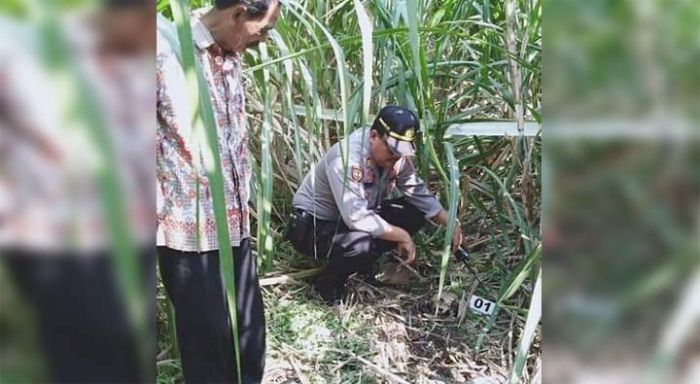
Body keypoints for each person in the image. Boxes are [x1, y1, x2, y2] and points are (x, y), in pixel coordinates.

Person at [156, 0, 279, 382]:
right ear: (239, 13)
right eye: (263, 30)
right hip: (187, 236)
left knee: (249, 337)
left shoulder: (229, 51)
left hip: (234, 227)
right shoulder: (163, 50)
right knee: (207, 346)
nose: (263, 41)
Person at [287, 105, 465, 304]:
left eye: (400, 154)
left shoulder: (395, 157)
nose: (395, 158)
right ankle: (329, 285)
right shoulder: (347, 159)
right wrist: (401, 235)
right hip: (313, 225)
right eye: (391, 151)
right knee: (361, 245)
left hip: (352, 220)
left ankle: (364, 266)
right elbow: (357, 217)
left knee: (413, 212)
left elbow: (417, 192)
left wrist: (448, 221)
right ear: (373, 136)